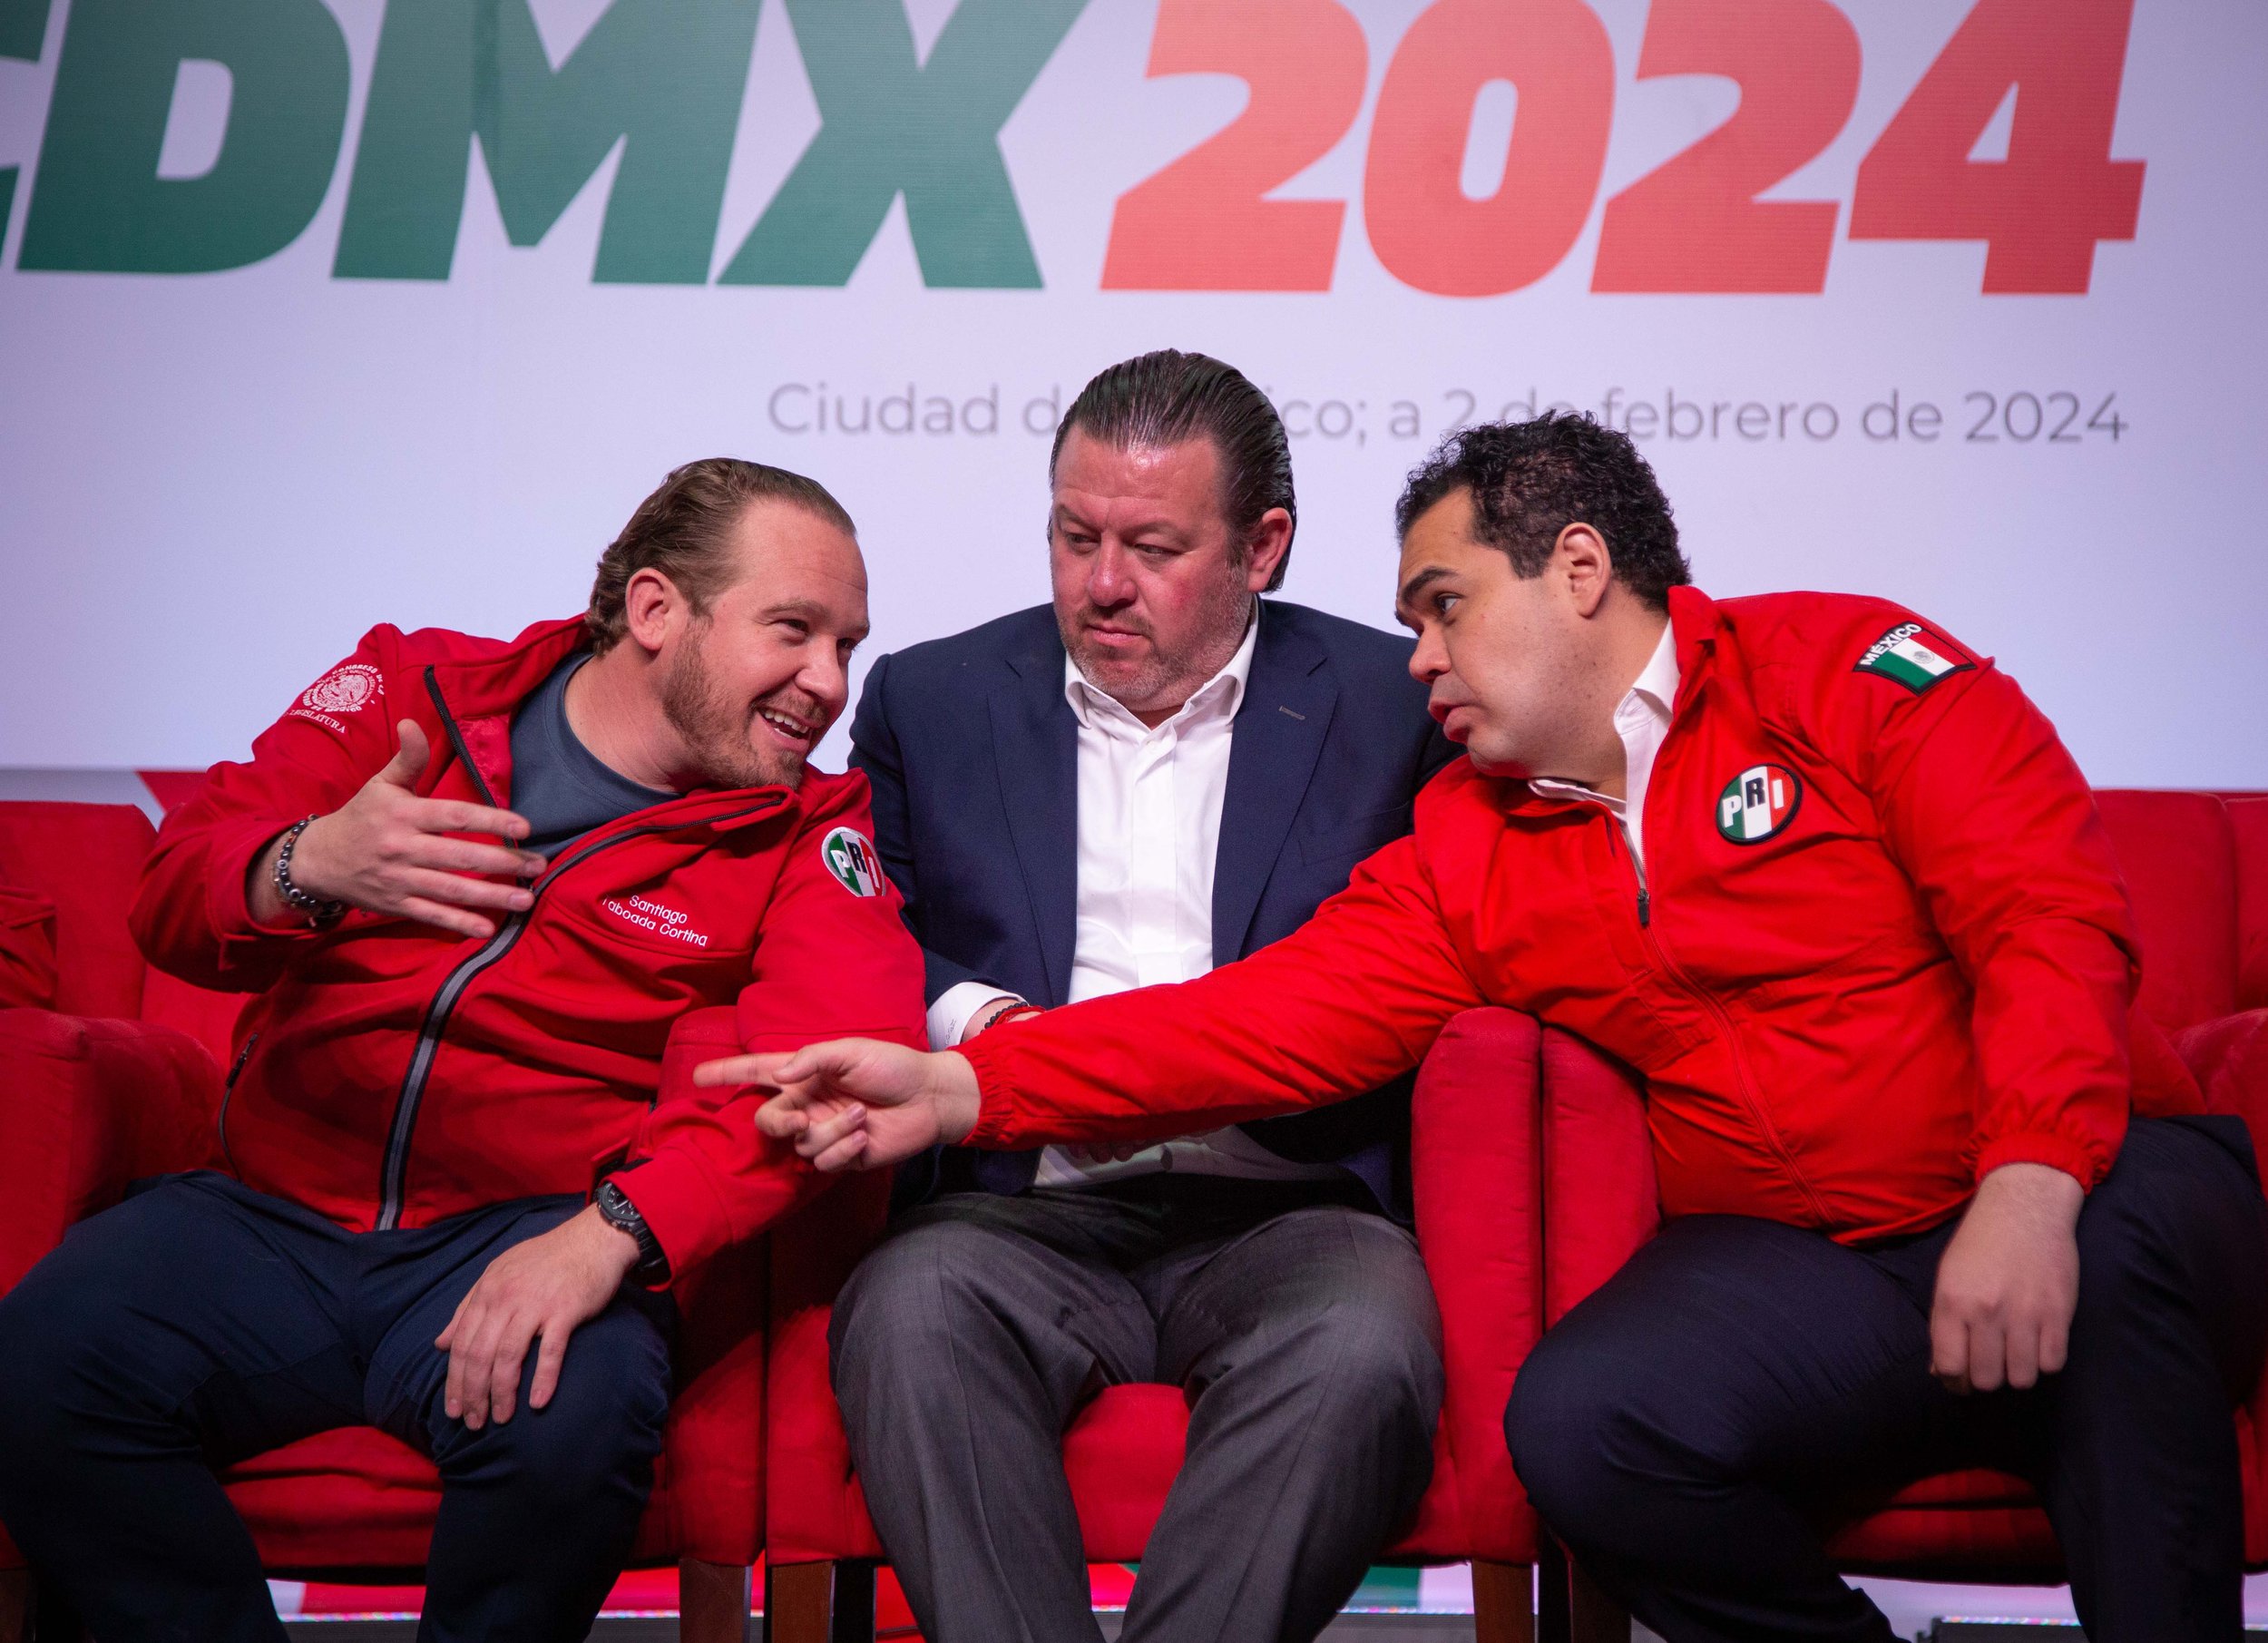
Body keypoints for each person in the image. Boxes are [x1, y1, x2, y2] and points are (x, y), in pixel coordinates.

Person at [716, 416, 2268, 1643]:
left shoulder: (1849, 673)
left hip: (2083, 1174)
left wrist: (2030, 1183)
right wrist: (968, 1087)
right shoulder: (1475, 838)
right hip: (1811, 1258)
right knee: (1584, 1430)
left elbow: (2045, 920)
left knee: (2117, 1271)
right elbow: (1260, 1024)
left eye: (1444, 608)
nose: (1417, 660)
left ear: (1577, 570)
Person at [0, 459, 925, 1643]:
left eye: (845, 646)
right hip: (267, 1210)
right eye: (792, 632)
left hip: (529, 1231)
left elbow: (836, 1071)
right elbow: (174, 891)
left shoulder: (810, 830)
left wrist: (610, 1235)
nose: (829, 683)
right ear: (656, 610)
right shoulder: (412, 692)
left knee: (573, 1428)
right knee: (36, 1370)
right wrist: (309, 864)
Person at [824, 350, 1459, 1643]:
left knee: (1363, 1347)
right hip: (1020, 1209)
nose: (1101, 583)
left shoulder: (1393, 710)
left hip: (1290, 1203)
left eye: (1152, 547)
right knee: (908, 1315)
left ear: (1262, 547)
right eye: (1075, 537)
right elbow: (856, 934)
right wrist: (980, 1030)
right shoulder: (931, 700)